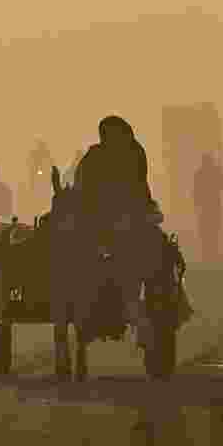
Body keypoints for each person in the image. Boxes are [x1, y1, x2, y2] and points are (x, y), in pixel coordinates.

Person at [72, 115, 160, 347]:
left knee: (130, 283)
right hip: (103, 227)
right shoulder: (106, 155)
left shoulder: (126, 154)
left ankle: (139, 323)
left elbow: (136, 188)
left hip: (125, 227)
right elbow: (83, 189)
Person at [193, 152, 223, 265]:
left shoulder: (200, 174)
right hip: (213, 207)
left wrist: (197, 205)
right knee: (213, 231)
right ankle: (213, 255)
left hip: (205, 208)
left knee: (207, 232)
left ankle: (208, 256)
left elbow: (195, 193)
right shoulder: (214, 172)